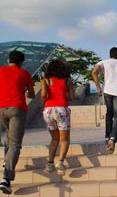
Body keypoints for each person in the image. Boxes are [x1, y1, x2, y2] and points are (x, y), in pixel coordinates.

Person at [0, 50, 35, 194]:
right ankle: (6, 179)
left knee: (9, 138)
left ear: (9, 60)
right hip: (17, 109)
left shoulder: (1, 70)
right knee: (15, 144)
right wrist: (24, 91)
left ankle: (6, 161)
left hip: (1, 109)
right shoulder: (25, 73)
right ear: (21, 62)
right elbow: (32, 94)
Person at [92, 47, 117, 154]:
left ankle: (107, 136)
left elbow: (94, 72)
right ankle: (113, 138)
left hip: (107, 91)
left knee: (109, 113)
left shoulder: (103, 62)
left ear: (110, 54)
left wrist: (98, 87)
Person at [41, 59, 74, 176]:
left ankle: (49, 164)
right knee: (64, 139)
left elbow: (44, 95)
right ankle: (60, 162)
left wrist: (45, 102)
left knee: (54, 139)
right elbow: (72, 97)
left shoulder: (46, 80)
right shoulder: (67, 81)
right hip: (62, 110)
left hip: (48, 111)